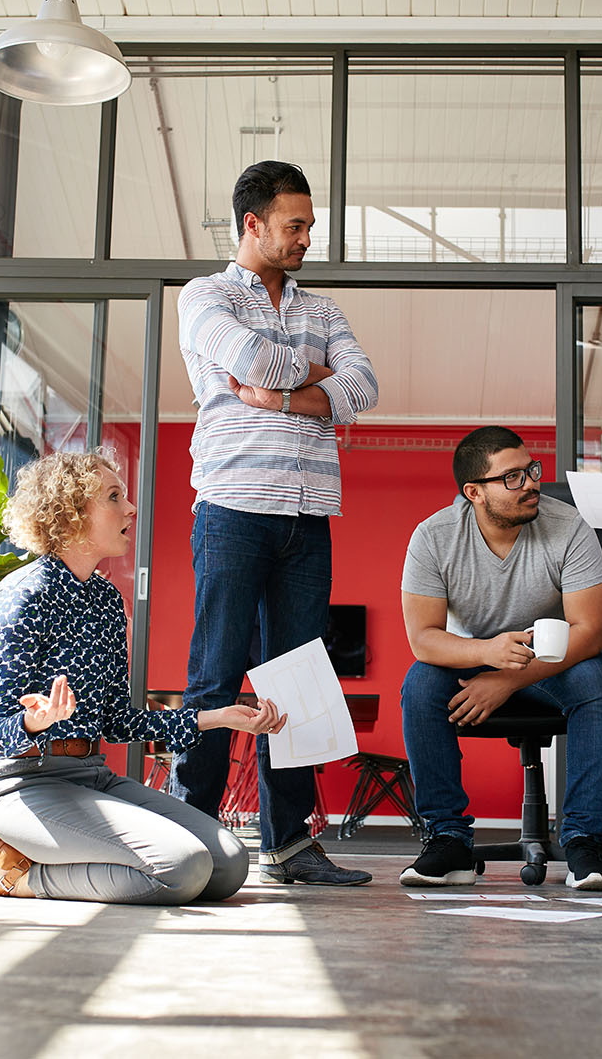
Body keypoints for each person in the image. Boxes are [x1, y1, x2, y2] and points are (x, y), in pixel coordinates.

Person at [172, 160, 380, 887]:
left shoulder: (322, 309)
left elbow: (365, 385)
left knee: (297, 682)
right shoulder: (203, 296)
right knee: (216, 674)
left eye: (309, 226)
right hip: (232, 508)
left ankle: (289, 843)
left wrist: (281, 396)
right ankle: (189, 831)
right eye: (295, 226)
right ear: (252, 223)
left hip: (309, 514)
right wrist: (316, 374)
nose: (305, 239)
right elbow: (253, 357)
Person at [0, 450, 289, 905]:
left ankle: (46, 861)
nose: (131, 508)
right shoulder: (19, 597)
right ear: (70, 514)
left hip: (90, 775)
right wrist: (35, 722)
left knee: (229, 862)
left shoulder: (106, 601)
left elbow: (117, 720)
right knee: (183, 868)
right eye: (114, 497)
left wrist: (217, 718)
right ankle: (17, 876)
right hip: (19, 783)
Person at [398, 426, 602, 891]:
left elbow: (591, 632)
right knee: (419, 685)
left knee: (596, 681)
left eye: (532, 470)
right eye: (514, 477)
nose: (533, 483)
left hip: (550, 663)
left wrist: (506, 680)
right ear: (474, 492)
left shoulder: (568, 528)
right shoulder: (433, 537)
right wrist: (486, 655)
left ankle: (585, 840)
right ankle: (448, 840)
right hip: (472, 656)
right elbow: (423, 639)